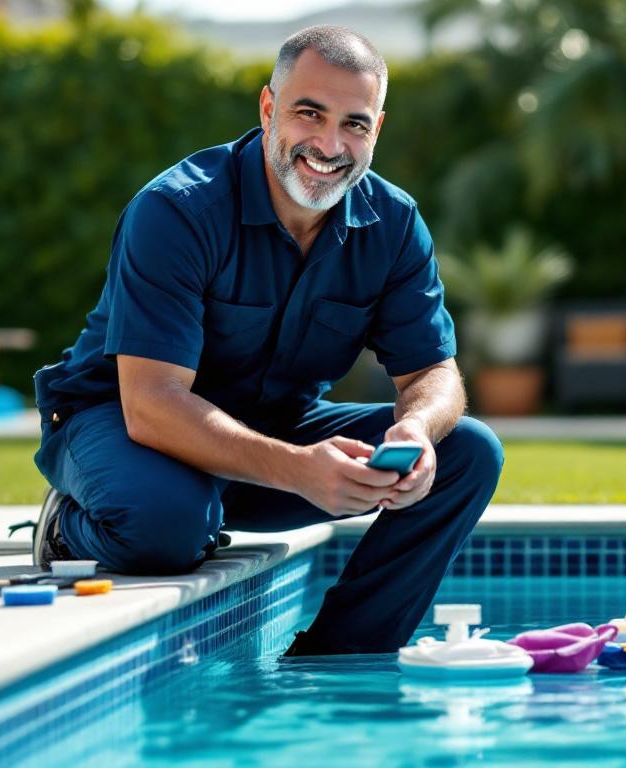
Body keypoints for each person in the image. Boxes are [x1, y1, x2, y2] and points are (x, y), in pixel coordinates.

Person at [28, 25, 503, 656]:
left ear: (377, 130)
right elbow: (151, 402)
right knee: (165, 527)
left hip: (276, 435)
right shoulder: (176, 210)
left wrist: (414, 431)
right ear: (268, 107)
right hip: (125, 423)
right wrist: (298, 470)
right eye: (310, 113)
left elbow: (433, 377)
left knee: (467, 449)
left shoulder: (394, 223)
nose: (330, 145)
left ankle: (340, 656)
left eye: (354, 124)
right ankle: (65, 525)